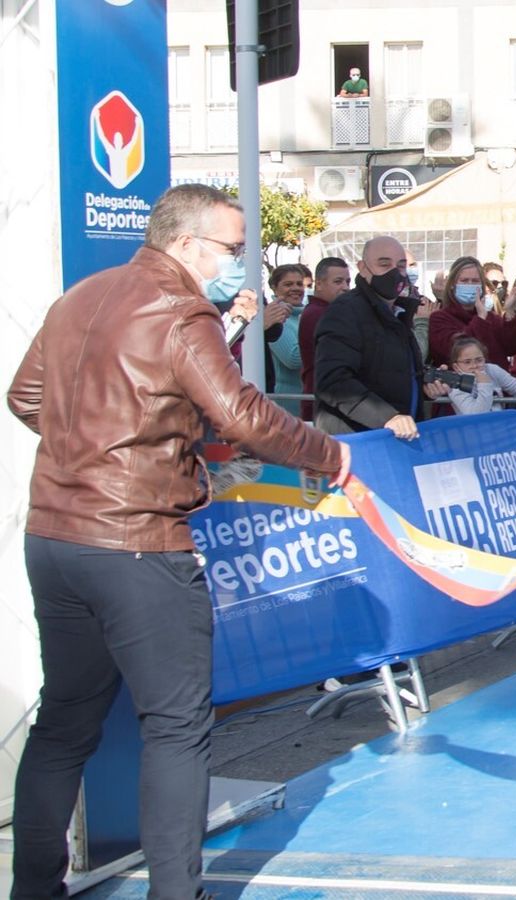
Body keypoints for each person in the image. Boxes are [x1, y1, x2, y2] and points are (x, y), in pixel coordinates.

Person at [6, 184, 350, 900]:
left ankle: (34, 887)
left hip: (56, 536)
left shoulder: (80, 298)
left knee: (63, 720)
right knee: (176, 726)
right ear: (188, 243)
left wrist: (95, 450)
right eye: (233, 248)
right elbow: (242, 415)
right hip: (139, 542)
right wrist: (330, 454)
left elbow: (27, 397)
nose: (240, 263)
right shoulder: (182, 309)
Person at [314, 236, 450, 437]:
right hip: (358, 441)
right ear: (362, 268)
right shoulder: (344, 312)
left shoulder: (399, 314)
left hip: (395, 439)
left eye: (401, 266)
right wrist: (387, 417)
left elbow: (388, 375)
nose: (395, 272)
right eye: (384, 264)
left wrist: (423, 387)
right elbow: (333, 381)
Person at [426, 256, 516, 369]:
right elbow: (455, 350)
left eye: (475, 281)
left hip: (497, 379)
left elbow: (513, 347)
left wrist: (510, 314)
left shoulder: (492, 318)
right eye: (464, 281)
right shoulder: (439, 318)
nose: (470, 285)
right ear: (452, 284)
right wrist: (480, 319)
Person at [297, 256, 350, 418]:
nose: (345, 287)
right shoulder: (318, 314)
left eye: (347, 282)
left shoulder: (328, 312)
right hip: (323, 402)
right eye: (338, 281)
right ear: (319, 284)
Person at [444, 336, 516, 415]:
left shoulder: (491, 370)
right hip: (474, 433)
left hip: (499, 428)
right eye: (467, 362)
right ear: (456, 366)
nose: (474, 366)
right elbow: (476, 414)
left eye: (479, 360)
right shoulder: (455, 384)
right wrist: (484, 384)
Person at [265, 263, 312, 417]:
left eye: (299, 284)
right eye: (288, 284)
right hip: (286, 403)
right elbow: (293, 358)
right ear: (274, 287)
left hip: (304, 401)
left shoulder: (302, 316)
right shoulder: (274, 318)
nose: (295, 288)